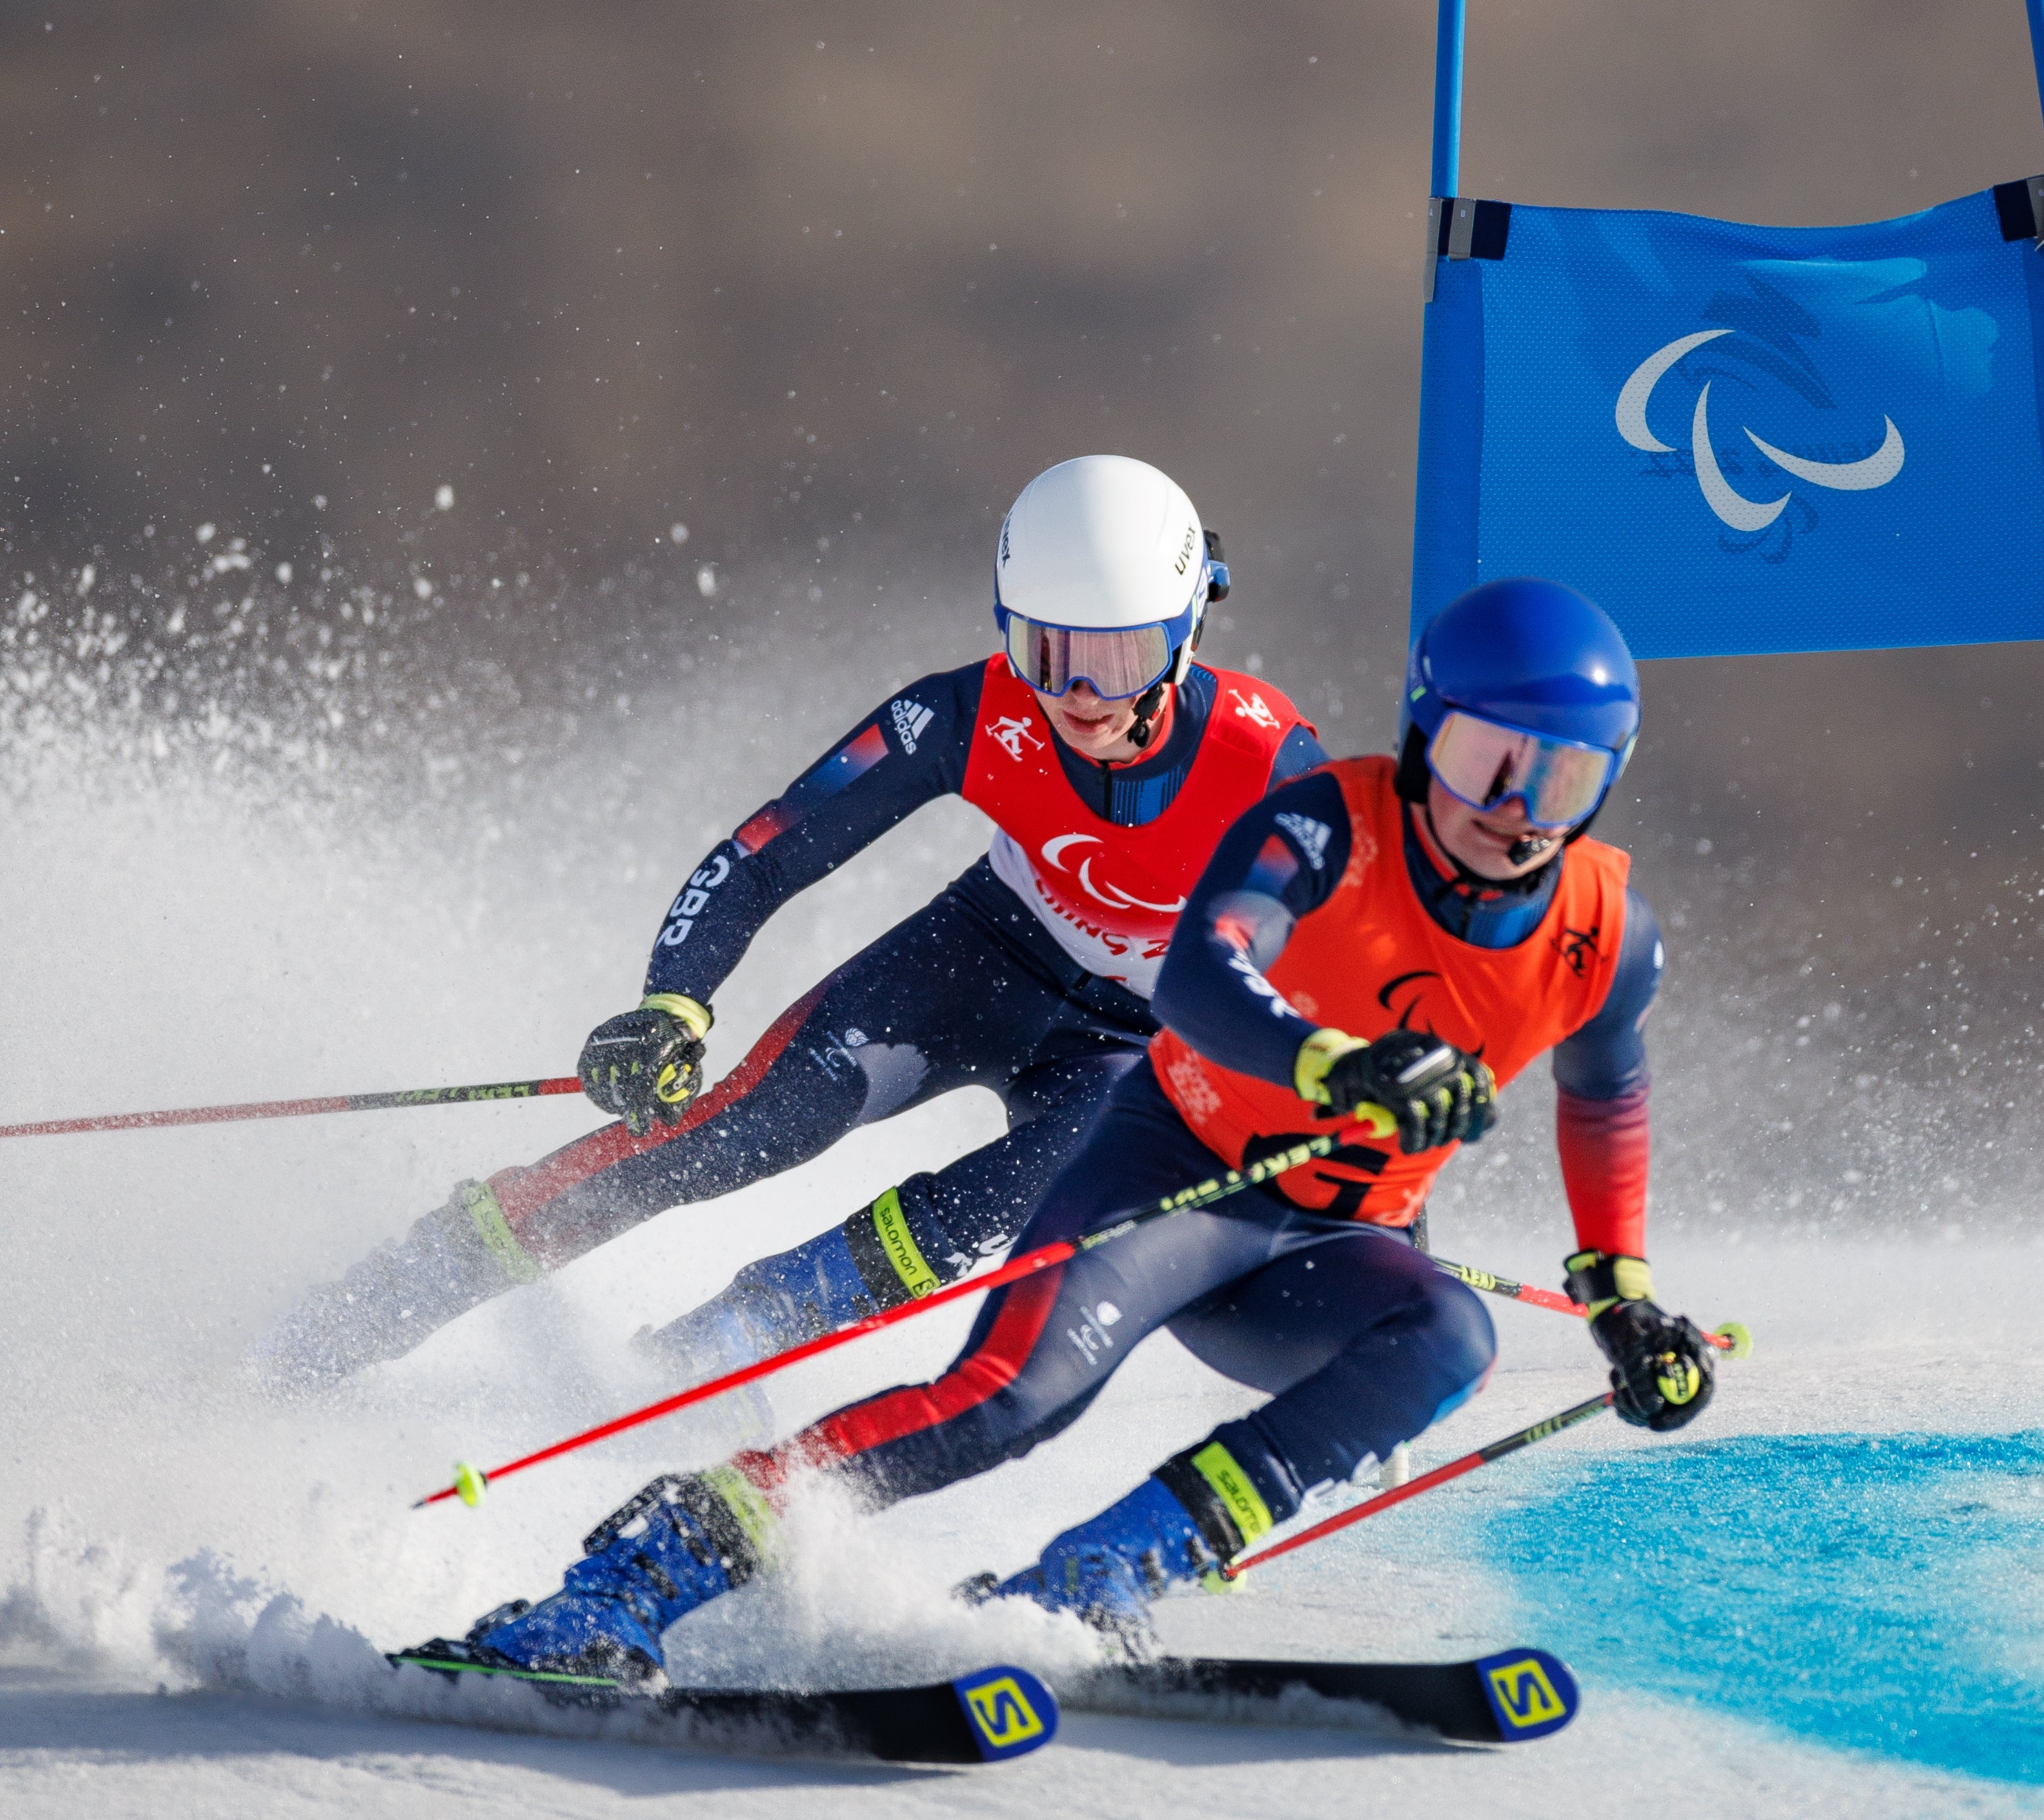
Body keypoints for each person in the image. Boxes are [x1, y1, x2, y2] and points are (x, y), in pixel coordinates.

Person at [413, 578, 1719, 1683]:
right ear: (1430, 734)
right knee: (1005, 1403)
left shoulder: (1608, 931)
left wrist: (1624, 1295)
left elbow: (1606, 1093)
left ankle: (1087, 1583)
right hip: (1176, 1177)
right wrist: (1337, 1062)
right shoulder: (1328, 820)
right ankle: (642, 1571)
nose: (1518, 811)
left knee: (1450, 1338)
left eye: (1564, 778)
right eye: (1492, 762)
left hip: (1330, 1237)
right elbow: (1206, 976)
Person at [257, 456, 1324, 1385]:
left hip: (1138, 1038)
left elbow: (1361, 960)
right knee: (739, 1129)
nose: (1081, 696)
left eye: (1121, 658)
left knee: (1048, 1189)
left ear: (1188, 635)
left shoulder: (1269, 761)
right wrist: (673, 997)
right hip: (982, 960)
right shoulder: (965, 712)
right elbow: (766, 849)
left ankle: (710, 1352)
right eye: (1047, 653)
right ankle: (378, 1301)